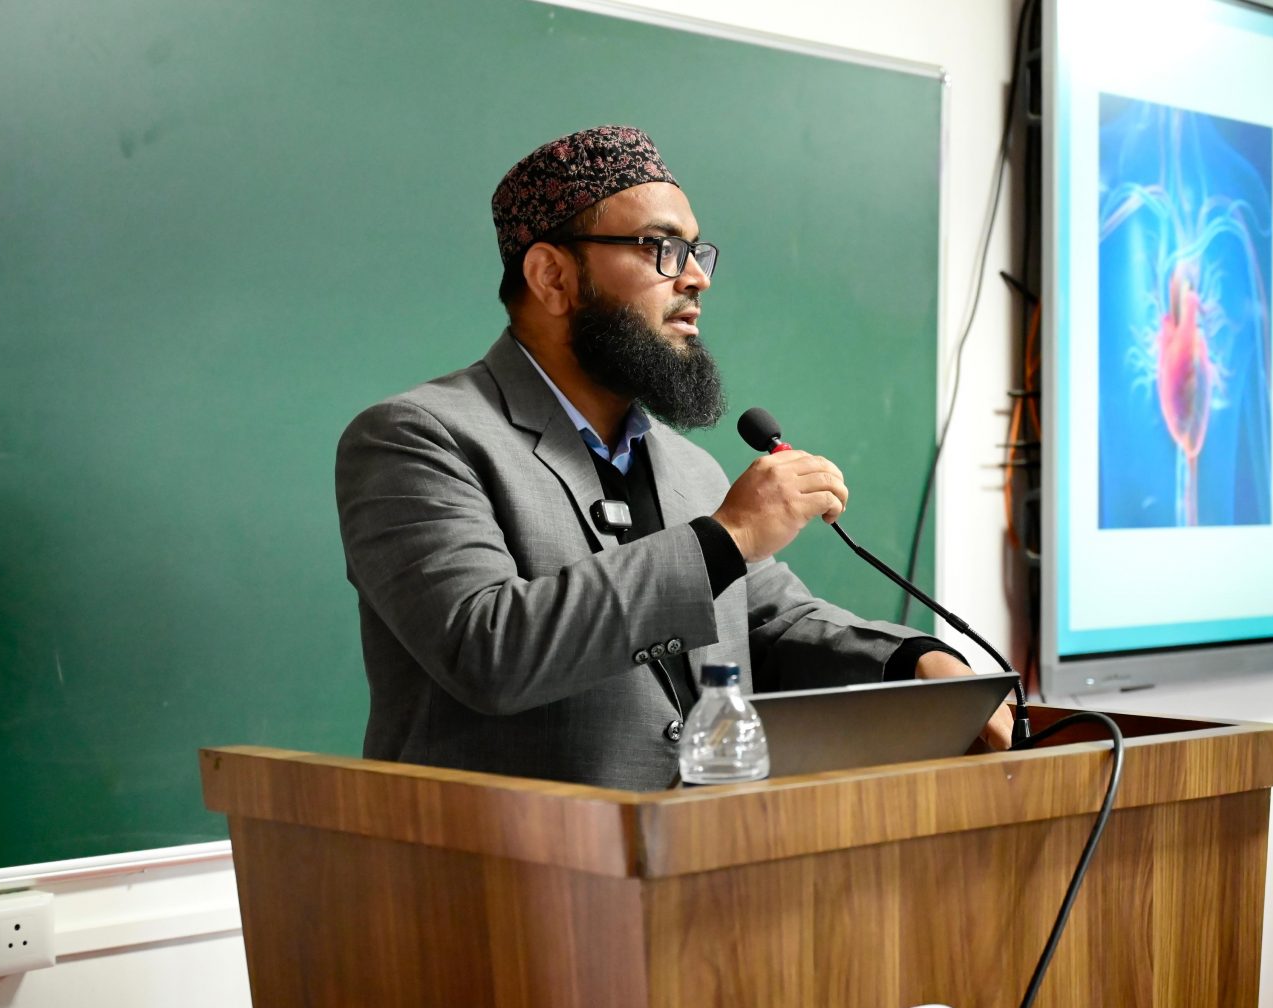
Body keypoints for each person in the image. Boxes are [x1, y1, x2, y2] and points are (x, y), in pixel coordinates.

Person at [335, 125, 1012, 790]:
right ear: (552, 276)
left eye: (696, 251)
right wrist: (727, 538)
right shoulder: (417, 438)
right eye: (660, 247)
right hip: (506, 855)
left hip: (692, 849)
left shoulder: (689, 469)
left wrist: (914, 661)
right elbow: (486, 648)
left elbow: (768, 622)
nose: (696, 278)